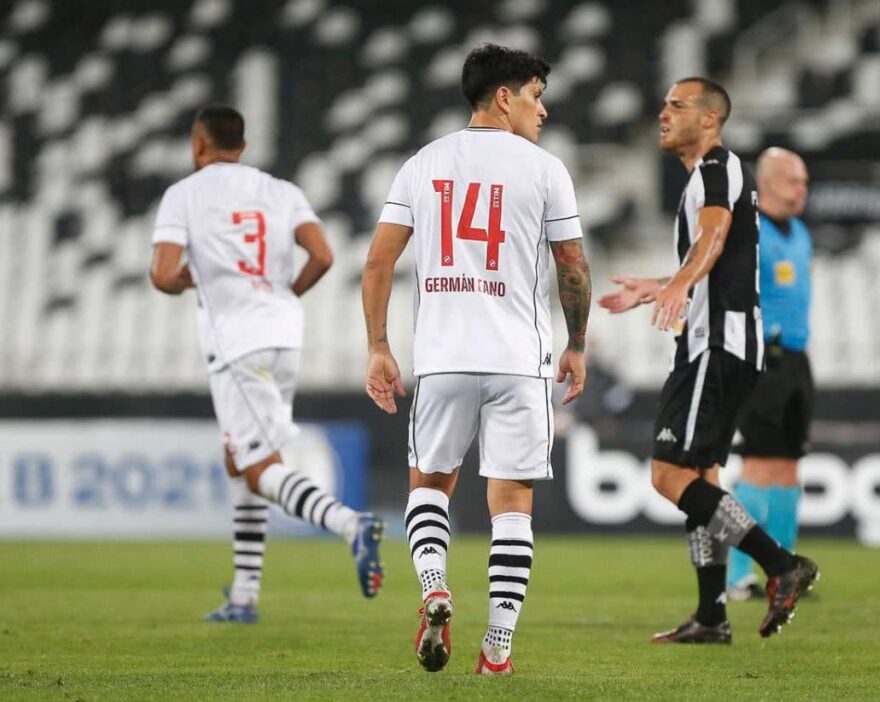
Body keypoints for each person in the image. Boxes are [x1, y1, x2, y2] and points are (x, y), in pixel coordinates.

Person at [361, 44, 590, 675]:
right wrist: (577, 343)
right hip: (520, 358)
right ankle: (497, 650)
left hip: (444, 356)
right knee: (512, 499)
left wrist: (379, 346)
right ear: (504, 97)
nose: (543, 109)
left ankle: (434, 587)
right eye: (536, 95)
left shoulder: (422, 165)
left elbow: (379, 262)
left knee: (429, 484)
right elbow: (571, 265)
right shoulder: (546, 170)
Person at [598, 78, 817, 644]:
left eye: (677, 105)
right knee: (704, 479)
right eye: (664, 103)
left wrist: (678, 286)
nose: (664, 113)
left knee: (669, 476)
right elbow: (720, 256)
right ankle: (712, 615)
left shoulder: (717, 168)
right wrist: (660, 285)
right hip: (730, 344)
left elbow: (715, 235)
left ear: (711, 118)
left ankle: (780, 564)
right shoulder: (709, 174)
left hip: (715, 347)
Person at [150, 105, 384, 623]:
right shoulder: (282, 190)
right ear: (244, 145)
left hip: (238, 341)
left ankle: (350, 524)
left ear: (198, 144)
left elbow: (162, 273)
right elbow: (322, 255)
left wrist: (201, 279)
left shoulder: (184, 195)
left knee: (259, 467)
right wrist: (283, 296)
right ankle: (244, 594)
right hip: (284, 336)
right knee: (242, 458)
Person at [728, 147, 814, 601]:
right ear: (769, 182)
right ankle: (738, 575)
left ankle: (786, 571)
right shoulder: (751, 231)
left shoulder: (799, 232)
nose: (802, 190)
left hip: (798, 359)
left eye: (804, 182)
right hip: (762, 358)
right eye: (794, 181)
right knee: (758, 466)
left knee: (789, 467)